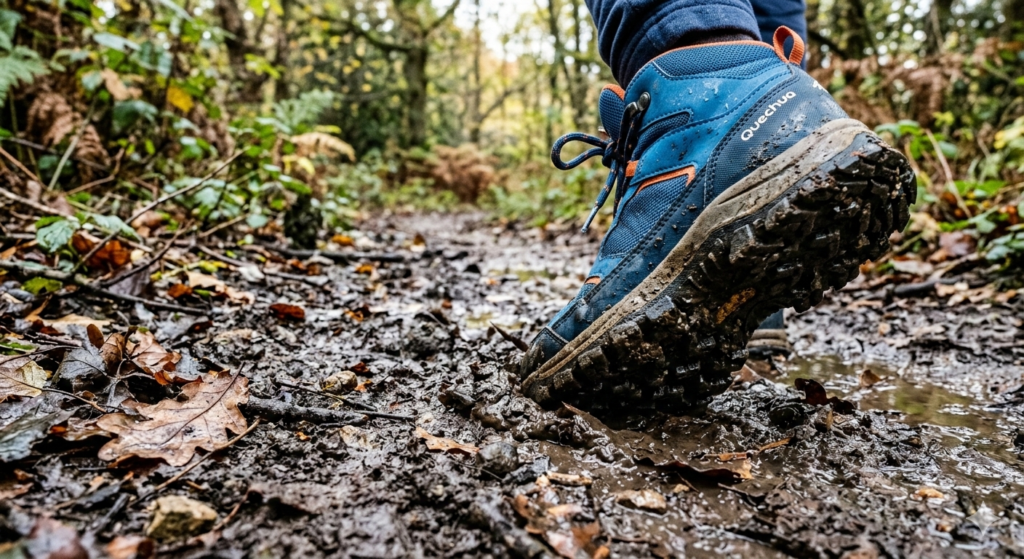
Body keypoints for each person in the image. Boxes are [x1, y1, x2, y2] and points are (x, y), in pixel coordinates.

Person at [518, 0, 915, 415]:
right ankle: (770, 103)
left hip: (705, 94)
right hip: (787, 91)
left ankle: (707, 81)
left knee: (701, 29)